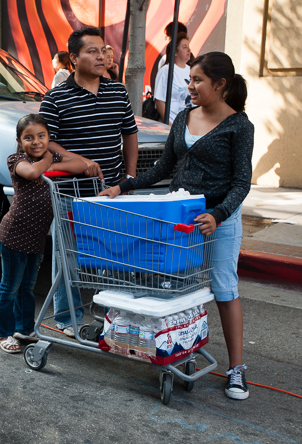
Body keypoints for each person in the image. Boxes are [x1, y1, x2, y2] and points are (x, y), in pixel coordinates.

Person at [98, 52, 254, 400]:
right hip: (180, 216)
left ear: (220, 85)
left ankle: (237, 370)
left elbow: (242, 183)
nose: (190, 86)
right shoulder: (184, 117)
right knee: (178, 288)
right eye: (190, 80)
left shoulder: (239, 125)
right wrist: (124, 186)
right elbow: (162, 168)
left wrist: (219, 214)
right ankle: (179, 350)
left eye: (197, 80)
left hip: (218, 220)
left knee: (225, 291)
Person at [40, 25, 139, 337]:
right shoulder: (55, 98)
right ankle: (68, 318)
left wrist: (130, 176)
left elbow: (130, 134)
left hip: (111, 190)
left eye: (103, 50)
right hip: (71, 191)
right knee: (66, 256)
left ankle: (114, 317)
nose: (101, 56)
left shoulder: (117, 91)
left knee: (114, 254)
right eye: (92, 51)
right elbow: (47, 143)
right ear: (74, 58)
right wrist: (79, 163)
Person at [0, 114, 93, 353]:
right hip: (13, 236)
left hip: (36, 239)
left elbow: (80, 165)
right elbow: (30, 173)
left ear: (49, 137)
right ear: (19, 140)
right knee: (10, 286)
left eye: (41, 136)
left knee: (27, 287)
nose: (36, 142)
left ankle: (25, 329)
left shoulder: (49, 158)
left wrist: (52, 164)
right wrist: (48, 159)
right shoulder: (16, 159)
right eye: (29, 138)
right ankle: (3, 334)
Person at [154, 32, 192, 123]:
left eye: (188, 46)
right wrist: (169, 125)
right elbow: (159, 100)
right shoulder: (166, 70)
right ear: (175, 52)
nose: (189, 50)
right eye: (184, 47)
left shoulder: (191, 70)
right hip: (172, 124)